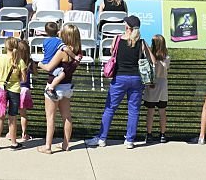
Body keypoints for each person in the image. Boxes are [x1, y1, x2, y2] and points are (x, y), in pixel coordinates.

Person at [87, 15, 153, 149]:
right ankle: (129, 140)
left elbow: (112, 53)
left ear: (127, 26)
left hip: (120, 78)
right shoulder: (141, 42)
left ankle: (102, 138)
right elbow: (152, 59)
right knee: (133, 110)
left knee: (110, 109)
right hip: (136, 78)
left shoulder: (117, 39)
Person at [37, 24, 82, 154]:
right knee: (66, 116)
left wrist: (39, 64)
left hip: (54, 86)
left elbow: (49, 67)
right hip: (68, 86)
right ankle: (66, 144)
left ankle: (47, 147)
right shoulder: (78, 52)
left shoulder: (62, 52)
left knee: (50, 117)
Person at [0, 36, 27, 150]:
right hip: (15, 90)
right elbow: (24, 79)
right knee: (13, 117)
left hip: (1, 89)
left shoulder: (0, 58)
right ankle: (14, 142)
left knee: (0, 116)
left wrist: (1, 78)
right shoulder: (20, 61)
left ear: (6, 47)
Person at [144, 35, 170, 144]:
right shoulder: (167, 58)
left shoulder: (150, 58)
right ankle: (162, 134)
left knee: (150, 112)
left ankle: (149, 134)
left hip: (152, 84)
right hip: (163, 85)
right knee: (162, 112)